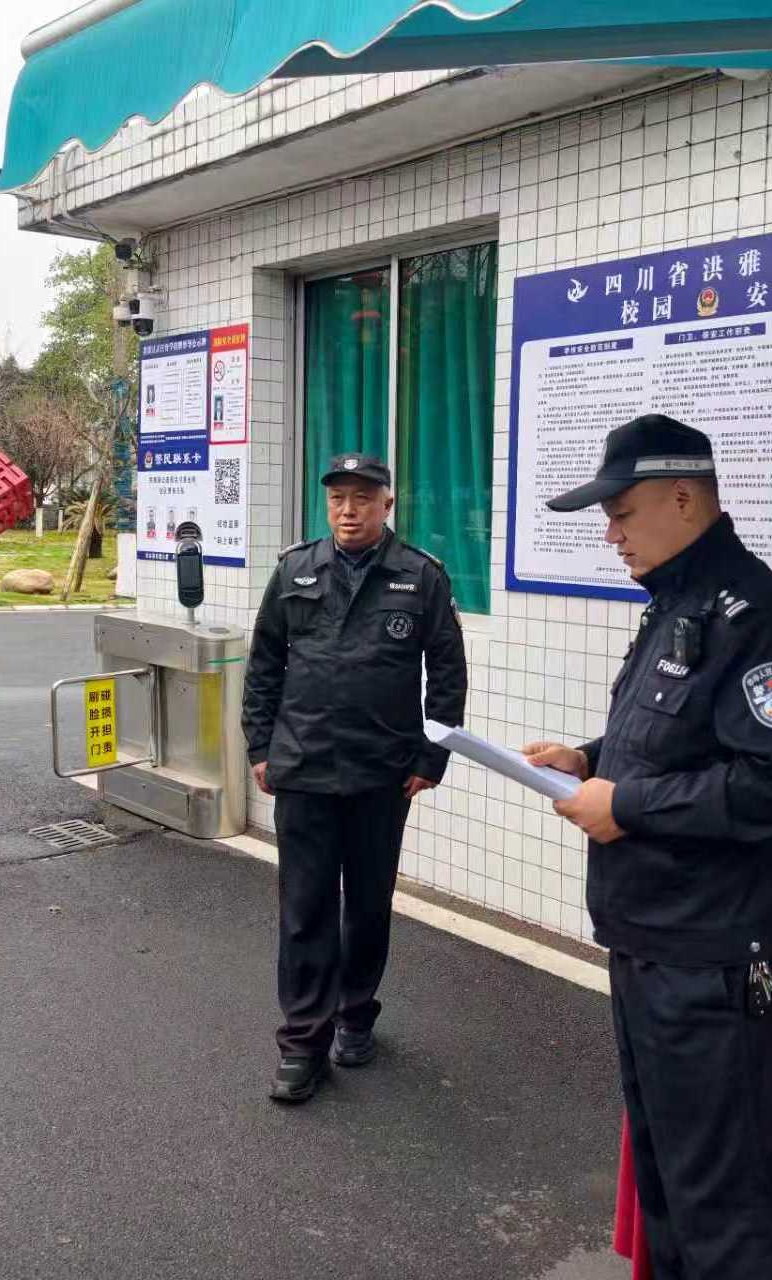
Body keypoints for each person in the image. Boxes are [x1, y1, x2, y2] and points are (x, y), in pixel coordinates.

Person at [525, 414, 772, 1280]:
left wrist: (625, 804)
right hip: (652, 938)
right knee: (664, 1183)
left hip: (714, 957)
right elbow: (677, 742)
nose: (610, 534)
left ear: (684, 498)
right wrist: (588, 760)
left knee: (720, 1206)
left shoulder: (757, 618)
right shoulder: (676, 604)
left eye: (621, 513)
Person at [243, 453, 468, 1103]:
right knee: (305, 910)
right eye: (338, 498)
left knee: (367, 906)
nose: (348, 510)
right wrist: (260, 745)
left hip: (381, 772)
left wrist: (430, 757)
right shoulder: (295, 570)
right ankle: (302, 1044)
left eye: (363, 498)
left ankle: (355, 1016)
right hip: (305, 766)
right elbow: (265, 665)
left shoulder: (420, 576)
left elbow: (446, 672)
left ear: (386, 505)